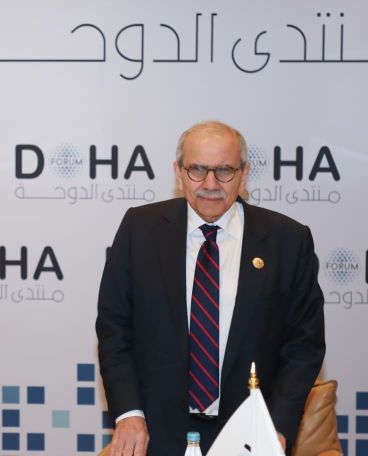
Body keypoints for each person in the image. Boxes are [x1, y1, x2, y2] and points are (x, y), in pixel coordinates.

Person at [96, 120, 325, 455]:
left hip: (247, 433)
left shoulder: (287, 240)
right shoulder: (139, 229)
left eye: (225, 170)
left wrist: (274, 426)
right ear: (178, 172)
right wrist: (129, 414)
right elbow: (114, 329)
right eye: (198, 169)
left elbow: (304, 346)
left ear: (244, 174)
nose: (211, 184)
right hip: (156, 432)